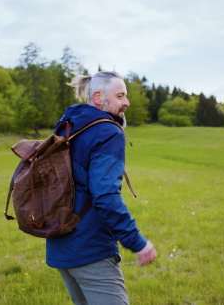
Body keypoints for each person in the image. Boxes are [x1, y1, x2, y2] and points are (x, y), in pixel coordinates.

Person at [47, 71, 157, 304]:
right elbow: (105, 196)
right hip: (90, 249)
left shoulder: (69, 127)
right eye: (120, 96)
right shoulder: (107, 131)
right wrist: (137, 243)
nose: (126, 102)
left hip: (60, 244)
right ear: (98, 97)